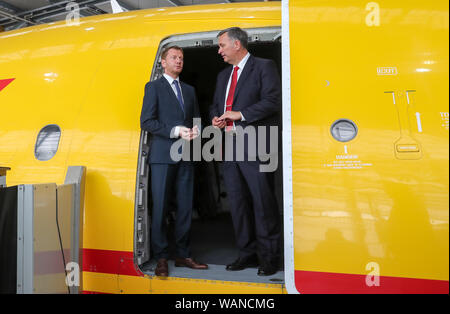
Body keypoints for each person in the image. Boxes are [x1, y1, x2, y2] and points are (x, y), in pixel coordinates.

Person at [210, 27, 282, 276]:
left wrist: (240, 114)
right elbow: (216, 105)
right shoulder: (222, 76)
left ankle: (270, 257)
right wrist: (215, 118)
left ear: (237, 44)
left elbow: (273, 100)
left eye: (222, 45)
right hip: (229, 147)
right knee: (238, 204)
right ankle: (247, 253)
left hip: (257, 144)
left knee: (263, 203)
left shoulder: (264, 66)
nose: (219, 51)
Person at [140, 46, 207, 277]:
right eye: (174, 58)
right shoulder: (153, 88)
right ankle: (161, 257)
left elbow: (196, 118)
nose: (179, 61)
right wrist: (175, 130)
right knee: (160, 208)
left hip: (186, 155)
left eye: (181, 58)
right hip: (162, 156)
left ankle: (183, 254)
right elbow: (147, 121)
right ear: (163, 62)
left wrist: (197, 129)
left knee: (185, 206)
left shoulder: (189, 90)